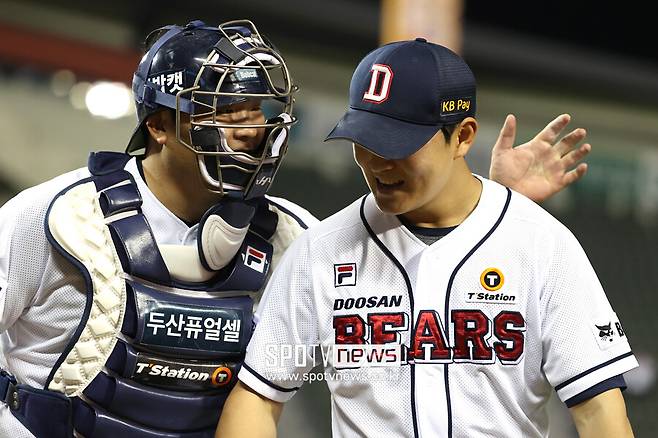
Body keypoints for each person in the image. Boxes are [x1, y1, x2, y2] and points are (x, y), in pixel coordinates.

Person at [0, 19, 589, 438]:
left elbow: (419, 275)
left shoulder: (295, 237)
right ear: (160, 124)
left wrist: (500, 203)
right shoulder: (56, 218)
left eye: (262, 116)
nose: (254, 134)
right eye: (232, 117)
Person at [216, 39, 637, 438]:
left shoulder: (543, 245)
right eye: (364, 140)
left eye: (397, 143)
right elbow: (257, 395)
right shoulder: (320, 250)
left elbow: (600, 411)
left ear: (464, 136)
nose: (377, 162)